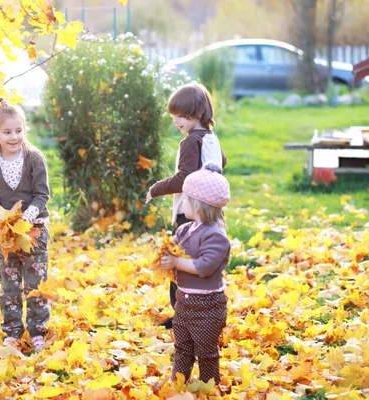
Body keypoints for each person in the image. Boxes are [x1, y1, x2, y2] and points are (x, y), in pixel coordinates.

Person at [146, 83, 227, 328]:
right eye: (173, 116)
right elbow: (222, 163)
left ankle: (182, 315)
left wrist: (155, 188)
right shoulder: (212, 139)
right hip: (211, 213)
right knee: (204, 262)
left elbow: (184, 178)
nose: (175, 121)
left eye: (180, 116)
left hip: (189, 215)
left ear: (196, 114)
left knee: (178, 263)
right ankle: (205, 310)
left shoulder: (191, 142)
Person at [0, 98, 50, 352]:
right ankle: (12, 331)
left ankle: (38, 331)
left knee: (36, 283)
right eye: (7, 132)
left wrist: (27, 217)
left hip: (34, 231)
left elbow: (42, 194)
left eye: (18, 130)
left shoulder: (34, 158)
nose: (14, 137)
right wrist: (2, 220)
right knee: (9, 284)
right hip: (6, 235)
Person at [160, 163, 230, 385]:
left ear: (199, 206)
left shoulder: (216, 236)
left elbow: (204, 266)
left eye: (186, 200)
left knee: (206, 351)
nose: (182, 204)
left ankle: (210, 385)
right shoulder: (184, 229)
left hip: (208, 306)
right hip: (184, 303)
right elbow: (176, 251)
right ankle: (178, 382)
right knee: (182, 347)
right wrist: (167, 256)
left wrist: (177, 261)